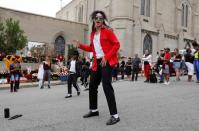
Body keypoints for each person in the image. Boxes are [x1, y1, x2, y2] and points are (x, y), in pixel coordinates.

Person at [72, 10, 120, 125]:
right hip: (96, 63)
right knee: (92, 85)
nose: (98, 20)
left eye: (100, 18)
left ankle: (115, 115)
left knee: (106, 86)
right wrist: (80, 45)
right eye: (96, 18)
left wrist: (106, 57)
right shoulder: (93, 34)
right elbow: (91, 48)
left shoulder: (108, 31)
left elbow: (117, 44)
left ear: (103, 20)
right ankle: (94, 110)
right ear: (93, 20)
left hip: (106, 62)